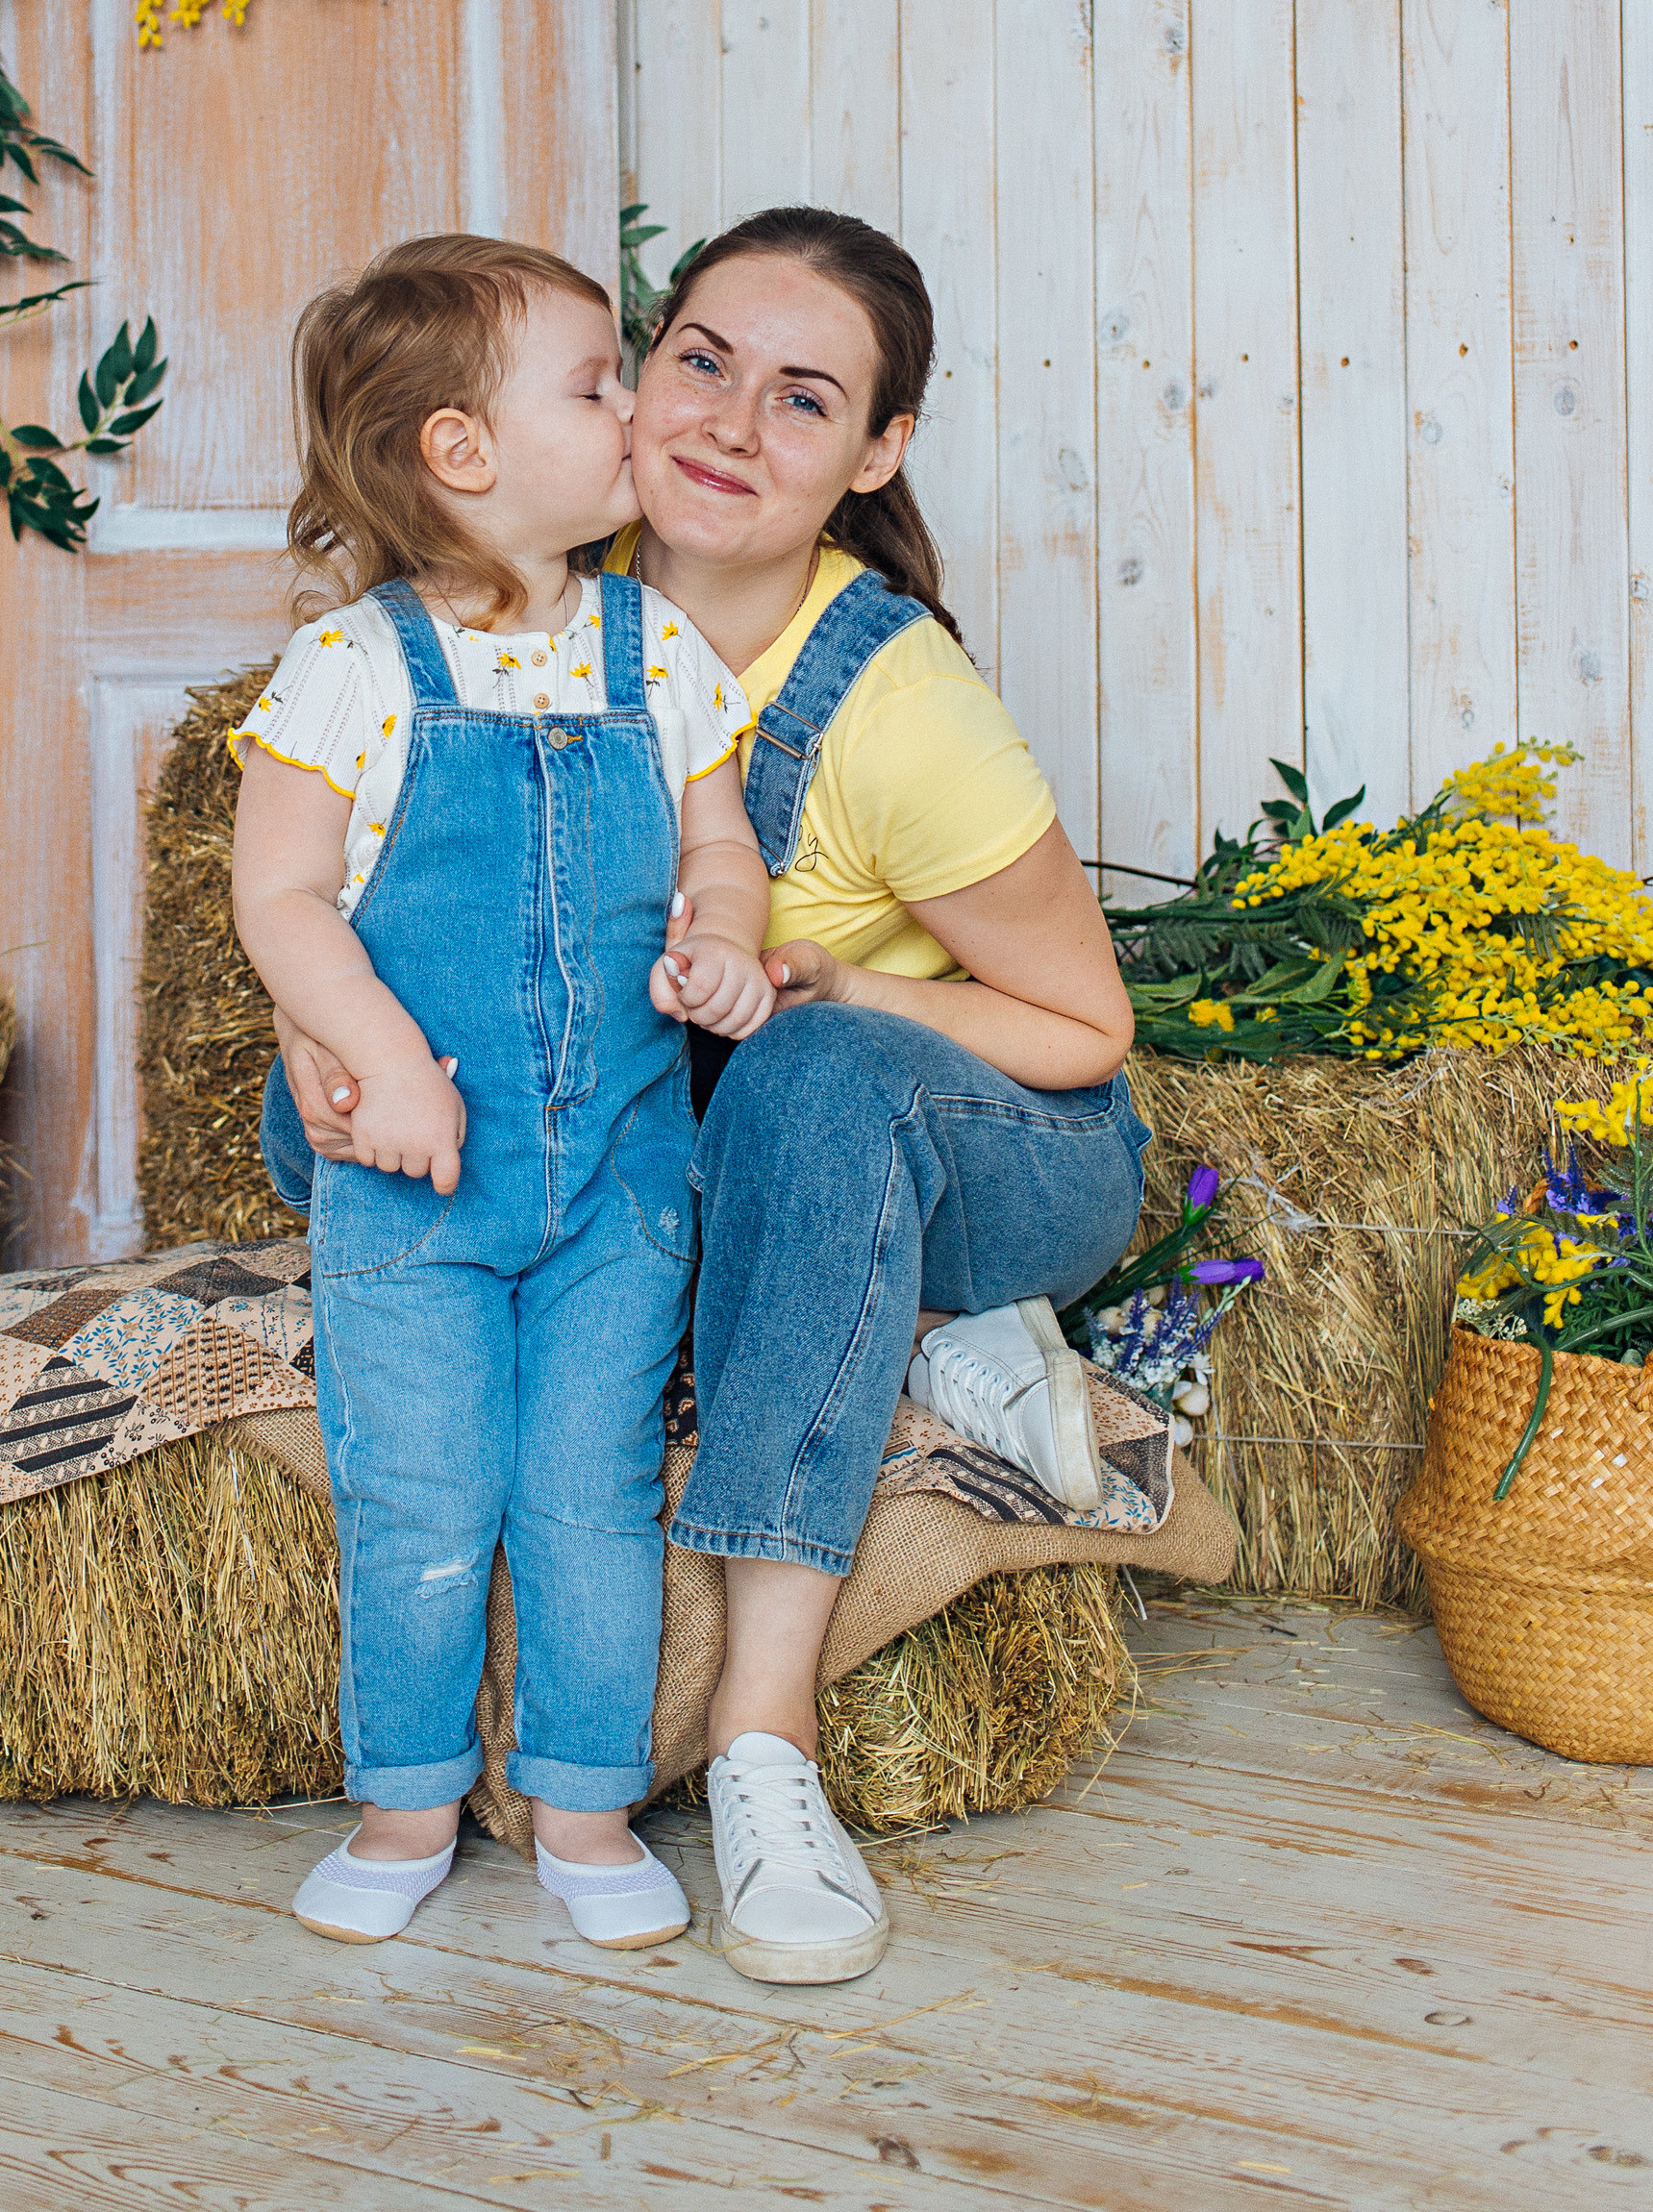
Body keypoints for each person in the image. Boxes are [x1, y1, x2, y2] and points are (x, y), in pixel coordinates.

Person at [272, 208, 1146, 1988]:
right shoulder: (517, 596)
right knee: (343, 1109)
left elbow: (1083, 1030)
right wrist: (335, 1045)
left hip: (998, 1144)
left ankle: (764, 1742)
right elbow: (336, 883)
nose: (727, 424)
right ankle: (911, 1347)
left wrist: (839, 980)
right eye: (696, 364)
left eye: (804, 399)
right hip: (673, 1139)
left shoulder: (898, 708)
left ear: (877, 455)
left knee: (812, 1077)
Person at [230, 234, 778, 1953]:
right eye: (598, 384)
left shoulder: (654, 648)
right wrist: (384, 1062)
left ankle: (585, 1807)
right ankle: (403, 1800)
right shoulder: (354, 668)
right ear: (461, 451)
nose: (637, 410)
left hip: (619, 1175)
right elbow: (280, 901)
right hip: (415, 1180)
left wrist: (727, 941)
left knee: (589, 1494)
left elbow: (717, 844)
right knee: (420, 1491)